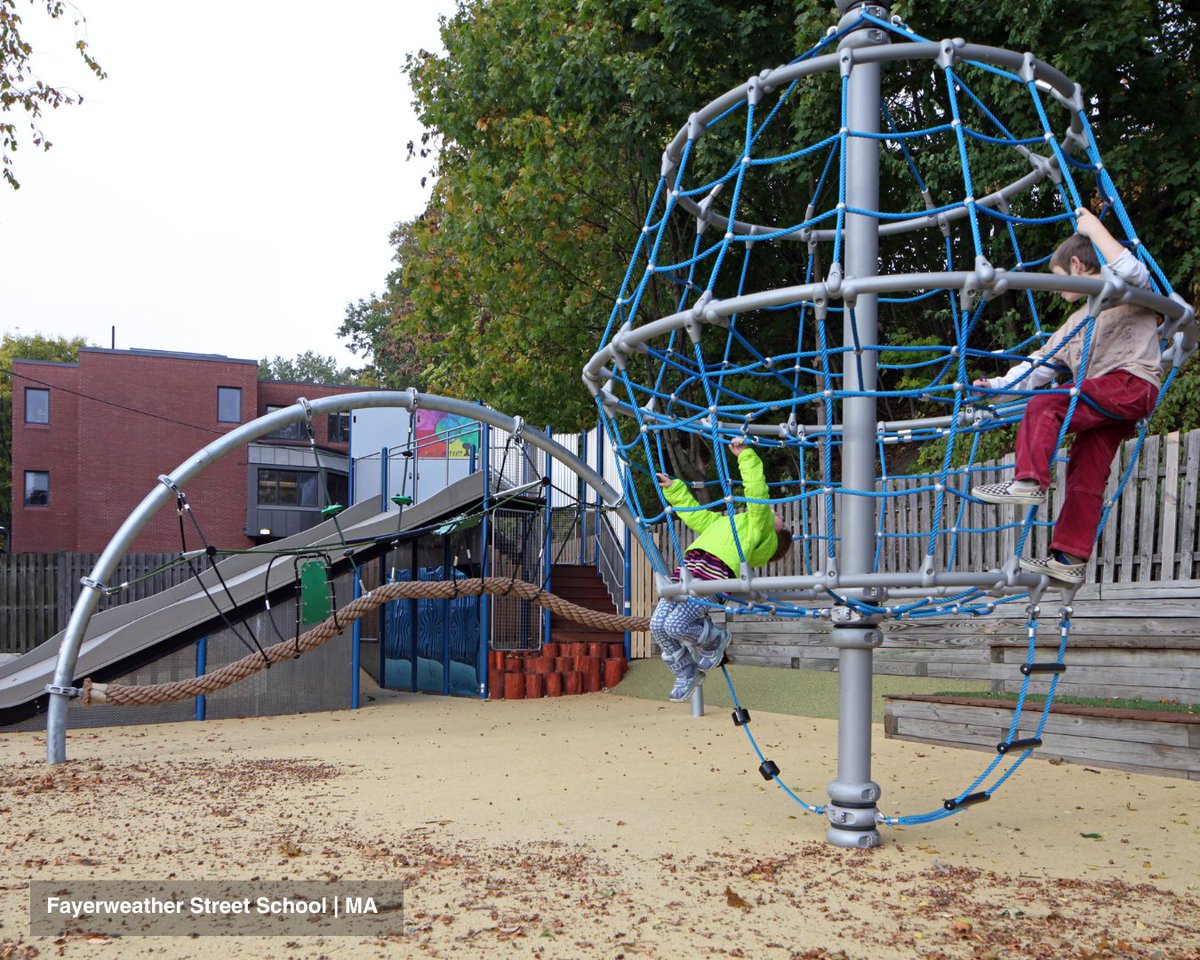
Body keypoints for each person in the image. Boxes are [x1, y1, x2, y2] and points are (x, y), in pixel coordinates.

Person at [971, 208, 1161, 584]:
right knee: (1084, 472)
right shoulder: (1075, 323)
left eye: (1060, 278)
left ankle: (1028, 480)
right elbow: (1037, 365)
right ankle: (1069, 558)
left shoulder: (1124, 289)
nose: (1058, 290)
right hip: (1107, 403)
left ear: (1077, 264)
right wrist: (996, 388)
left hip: (1131, 384)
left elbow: (1132, 270)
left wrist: (1093, 228)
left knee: (1048, 403)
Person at [652, 441, 793, 701]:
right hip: (689, 569)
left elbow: (757, 493)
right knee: (658, 625)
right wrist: (675, 490)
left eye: (781, 521)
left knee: (675, 624)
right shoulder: (725, 523)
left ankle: (715, 638)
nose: (779, 515)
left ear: (775, 535)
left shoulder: (758, 527)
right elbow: (696, 516)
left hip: (713, 574)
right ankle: (685, 671)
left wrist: (746, 456)